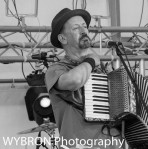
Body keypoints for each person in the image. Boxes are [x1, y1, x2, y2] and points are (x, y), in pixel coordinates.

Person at [45, 8, 121, 149]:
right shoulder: (56, 69)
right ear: (63, 38)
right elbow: (74, 81)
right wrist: (91, 60)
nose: (83, 30)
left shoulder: (106, 70)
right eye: (76, 28)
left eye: (85, 26)